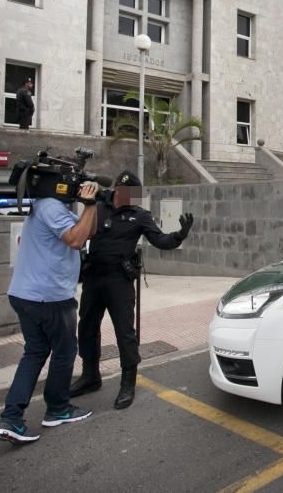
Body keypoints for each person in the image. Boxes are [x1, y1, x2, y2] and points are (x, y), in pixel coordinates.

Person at [69, 171, 194, 410]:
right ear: (118, 189)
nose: (133, 198)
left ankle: (128, 383)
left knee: (125, 333)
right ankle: (90, 376)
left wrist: (179, 235)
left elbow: (160, 241)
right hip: (94, 277)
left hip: (119, 280)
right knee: (86, 327)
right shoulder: (97, 203)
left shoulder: (139, 215)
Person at [0, 182, 99, 445]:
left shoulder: (44, 206)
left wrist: (91, 206)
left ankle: (11, 417)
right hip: (49, 297)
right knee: (64, 352)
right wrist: (90, 205)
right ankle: (58, 409)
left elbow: (88, 232)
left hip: (25, 294)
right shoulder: (52, 207)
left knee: (35, 352)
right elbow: (76, 240)